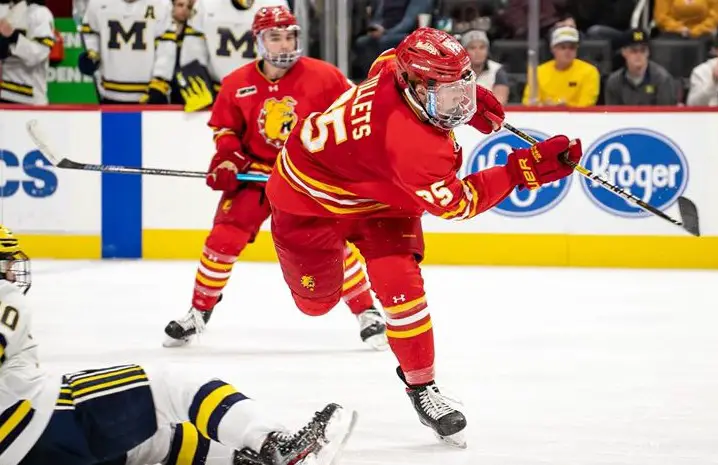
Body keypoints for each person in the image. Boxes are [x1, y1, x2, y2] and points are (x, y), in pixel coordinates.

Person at [265, 27, 582, 447]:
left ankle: (422, 387)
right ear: (414, 85)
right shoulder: (413, 146)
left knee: (402, 289)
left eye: (463, 88)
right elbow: (458, 203)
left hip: (382, 196)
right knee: (316, 304)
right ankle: (346, 266)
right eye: (448, 93)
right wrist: (517, 171)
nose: (459, 101)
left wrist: (467, 105)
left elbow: (416, 74)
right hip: (307, 204)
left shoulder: (390, 62)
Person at [0, 225, 357, 465]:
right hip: (32, 422)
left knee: (156, 439)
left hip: (18, 451)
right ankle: (275, 446)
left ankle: (244, 460)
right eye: (6, 262)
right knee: (172, 389)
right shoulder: (4, 294)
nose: (14, 273)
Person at [163, 5, 387, 351]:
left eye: (290, 37)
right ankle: (198, 312)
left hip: (306, 181)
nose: (284, 45)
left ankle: (367, 312)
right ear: (259, 40)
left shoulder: (326, 77)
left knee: (332, 246)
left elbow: (352, 117)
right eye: (275, 37)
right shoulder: (236, 83)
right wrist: (226, 159)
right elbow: (225, 130)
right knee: (222, 240)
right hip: (255, 178)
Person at [151, 0, 288, 108]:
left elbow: (284, 53)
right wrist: (201, 91)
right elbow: (192, 53)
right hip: (216, 97)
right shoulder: (206, 5)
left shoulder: (276, 6)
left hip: (262, 98)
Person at [77, 0, 174, 104]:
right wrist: (92, 54)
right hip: (109, 94)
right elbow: (91, 32)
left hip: (149, 96)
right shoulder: (97, 4)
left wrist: (160, 82)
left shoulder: (162, 5)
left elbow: (166, 48)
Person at [522, 25, 600, 106]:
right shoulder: (538, 72)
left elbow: (587, 105)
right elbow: (528, 102)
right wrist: (544, 106)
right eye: (563, 47)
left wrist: (566, 106)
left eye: (572, 48)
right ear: (553, 49)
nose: (568, 51)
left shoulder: (589, 71)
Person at [0, 0, 55, 105]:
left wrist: (14, 38)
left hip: (29, 97)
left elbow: (38, 54)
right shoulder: (3, 10)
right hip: (4, 94)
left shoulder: (40, 13)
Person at [605, 28, 677, 106]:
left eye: (643, 50)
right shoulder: (614, 82)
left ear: (648, 52)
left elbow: (666, 114)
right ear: (624, 52)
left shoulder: (662, 79)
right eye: (634, 51)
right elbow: (612, 115)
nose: (639, 55)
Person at [460, 29, 509, 105]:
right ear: (464, 51)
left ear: (487, 50)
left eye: (482, 47)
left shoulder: (497, 70)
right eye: (472, 48)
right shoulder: (456, 71)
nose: (478, 52)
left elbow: (500, 102)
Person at [654, 0, 718, 39]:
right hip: (672, 35)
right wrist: (679, 28)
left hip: (705, 35)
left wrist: (697, 30)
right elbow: (661, 16)